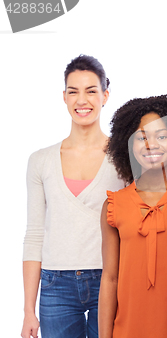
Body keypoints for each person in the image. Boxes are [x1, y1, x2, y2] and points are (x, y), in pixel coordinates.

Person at [21, 55, 124, 338]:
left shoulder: (124, 158)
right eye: (74, 91)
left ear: (105, 96)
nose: (83, 100)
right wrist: (28, 309)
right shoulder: (40, 161)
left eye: (91, 91)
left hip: (111, 278)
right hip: (56, 286)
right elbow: (34, 235)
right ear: (64, 97)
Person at [99, 94, 167, 337]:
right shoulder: (114, 205)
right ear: (128, 144)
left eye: (161, 136)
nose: (151, 144)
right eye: (141, 137)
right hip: (129, 329)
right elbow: (110, 279)